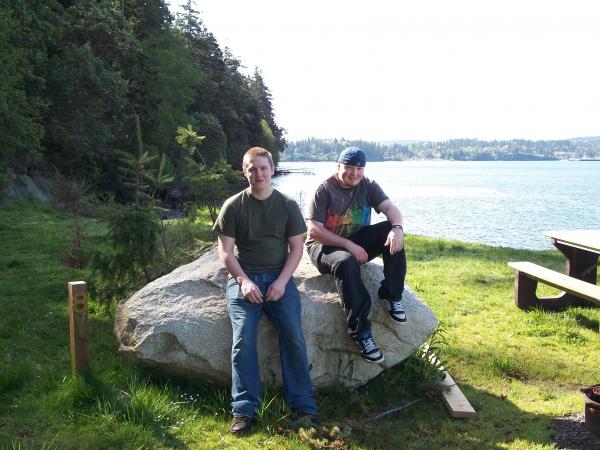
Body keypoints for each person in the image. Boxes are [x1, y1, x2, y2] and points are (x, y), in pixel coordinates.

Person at [213, 147, 318, 435]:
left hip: (278, 279)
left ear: (272, 169)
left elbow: (297, 248)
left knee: (293, 335)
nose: (258, 174)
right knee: (243, 340)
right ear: (244, 172)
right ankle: (244, 410)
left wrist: (283, 281)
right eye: (251, 169)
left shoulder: (286, 206)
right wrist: (244, 281)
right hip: (243, 280)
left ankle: (303, 405)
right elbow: (225, 252)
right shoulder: (233, 206)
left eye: (263, 168)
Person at [305, 146, 407, 364]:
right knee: (346, 262)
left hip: (356, 239)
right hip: (323, 246)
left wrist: (397, 228)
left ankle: (392, 295)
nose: (354, 173)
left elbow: (390, 208)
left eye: (359, 169)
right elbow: (314, 231)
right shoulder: (324, 189)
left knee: (390, 230)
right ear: (338, 167)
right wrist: (348, 246)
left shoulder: (367, 184)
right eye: (349, 168)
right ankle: (361, 333)